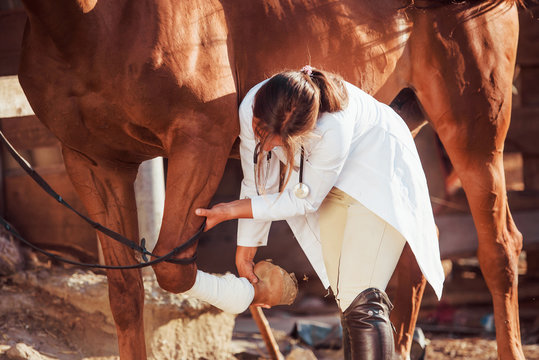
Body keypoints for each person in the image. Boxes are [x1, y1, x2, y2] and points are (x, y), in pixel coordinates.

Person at [195, 66, 444, 359]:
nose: (268, 145)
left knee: (362, 297)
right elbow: (258, 182)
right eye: (262, 132)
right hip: (334, 186)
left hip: (379, 178)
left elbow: (304, 201)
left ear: (303, 130)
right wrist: (245, 254)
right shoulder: (252, 105)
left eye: (282, 141)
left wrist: (230, 210)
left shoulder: (332, 128)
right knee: (346, 297)